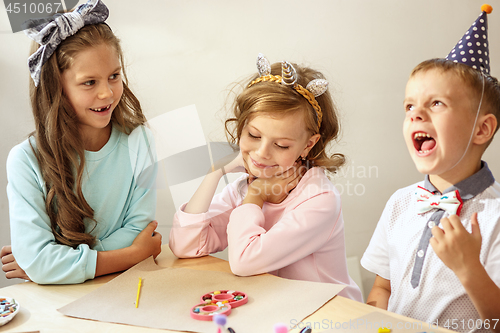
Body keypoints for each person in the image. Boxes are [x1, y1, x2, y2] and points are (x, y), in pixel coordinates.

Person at [169, 53, 363, 302]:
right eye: (253, 135)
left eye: (281, 145)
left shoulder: (319, 199)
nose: (262, 153)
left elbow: (244, 261)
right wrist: (215, 173)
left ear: (308, 145)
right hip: (278, 310)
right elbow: (185, 246)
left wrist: (257, 196)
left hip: (330, 317)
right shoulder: (246, 186)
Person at [0, 0, 161, 284]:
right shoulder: (25, 160)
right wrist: (131, 255)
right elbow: (41, 262)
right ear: (55, 87)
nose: (107, 94)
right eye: (89, 82)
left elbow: (139, 231)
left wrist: (57, 263)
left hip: (123, 289)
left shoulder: (141, 142)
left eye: (114, 76)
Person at [361, 5, 500, 332]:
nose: (415, 114)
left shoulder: (495, 217)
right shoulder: (399, 203)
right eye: (409, 105)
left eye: (436, 103)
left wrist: (469, 269)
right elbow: (382, 288)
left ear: (482, 130)